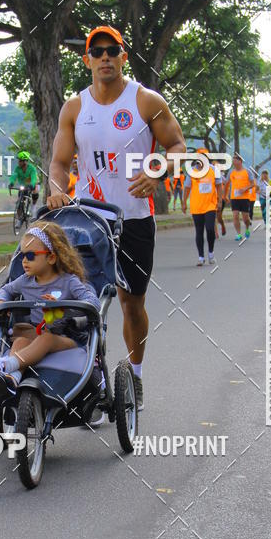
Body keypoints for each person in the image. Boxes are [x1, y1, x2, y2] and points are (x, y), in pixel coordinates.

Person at [46, 24, 186, 410]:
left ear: (124, 57)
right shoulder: (75, 108)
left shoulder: (145, 101)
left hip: (135, 220)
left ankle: (135, 375)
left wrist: (157, 169)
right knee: (79, 301)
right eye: (98, 51)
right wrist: (57, 189)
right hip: (88, 220)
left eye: (113, 50)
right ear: (87, 60)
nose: (105, 57)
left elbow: (177, 146)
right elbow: (58, 163)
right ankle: (85, 379)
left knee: (131, 304)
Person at [0, 222, 101, 397]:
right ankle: (12, 379)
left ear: (51, 257)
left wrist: (65, 307)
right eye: (22, 255)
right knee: (19, 341)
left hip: (67, 337)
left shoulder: (69, 282)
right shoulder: (26, 280)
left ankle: (4, 365)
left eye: (31, 255)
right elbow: (6, 290)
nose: (24, 261)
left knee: (47, 338)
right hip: (38, 332)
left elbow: (92, 301)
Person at [181, 157, 223, 265]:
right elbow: (187, 188)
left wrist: (220, 201)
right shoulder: (192, 172)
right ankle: (201, 257)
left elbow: (219, 186)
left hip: (210, 205)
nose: (199, 165)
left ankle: (211, 253)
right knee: (199, 231)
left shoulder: (213, 170)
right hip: (196, 206)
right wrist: (184, 202)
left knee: (210, 229)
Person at [225, 154, 252, 240]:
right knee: (235, 215)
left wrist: (245, 188)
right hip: (234, 198)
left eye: (235, 161)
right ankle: (239, 234)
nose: (234, 163)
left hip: (244, 198)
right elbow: (227, 183)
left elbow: (253, 183)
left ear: (240, 161)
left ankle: (247, 229)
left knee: (245, 218)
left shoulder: (247, 171)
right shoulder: (231, 172)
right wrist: (225, 195)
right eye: (233, 161)